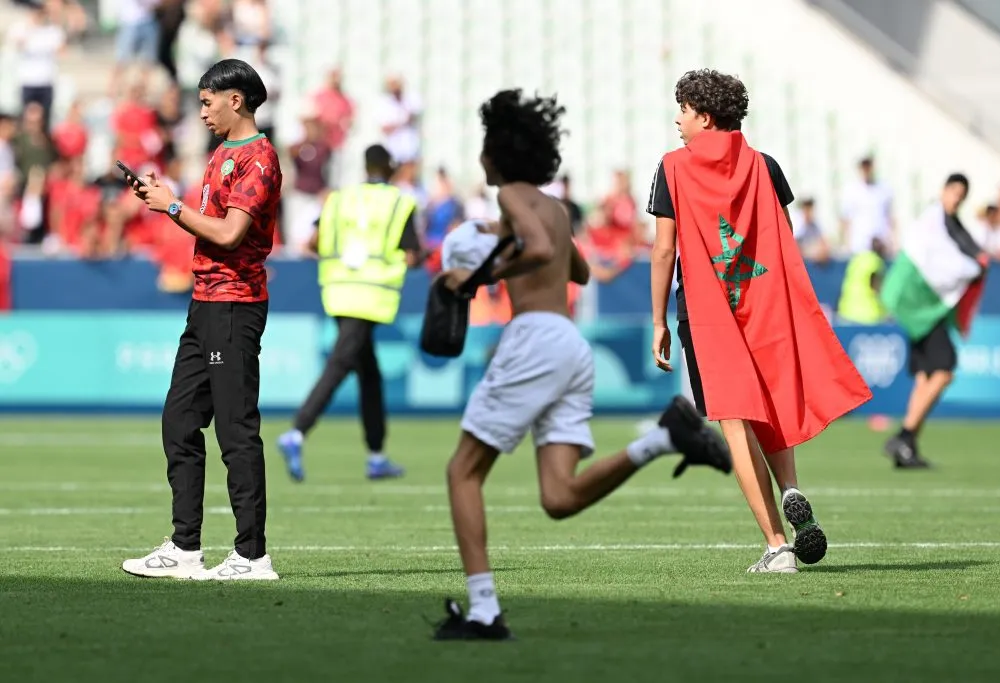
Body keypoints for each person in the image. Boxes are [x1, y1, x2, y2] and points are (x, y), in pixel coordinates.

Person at [431, 89, 732, 641]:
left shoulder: (513, 196)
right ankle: (662, 439)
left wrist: (475, 276)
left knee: (461, 472)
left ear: (498, 152)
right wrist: (503, 246)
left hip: (534, 340)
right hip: (569, 346)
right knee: (559, 498)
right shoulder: (553, 205)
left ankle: (483, 611)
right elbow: (580, 272)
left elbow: (543, 252)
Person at [647, 69, 872, 573]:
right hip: (762, 302)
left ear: (704, 116)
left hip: (707, 311)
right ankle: (791, 487)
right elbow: (783, 233)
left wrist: (658, 318)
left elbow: (664, 251)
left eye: (682, 110)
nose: (677, 120)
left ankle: (776, 546)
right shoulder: (764, 164)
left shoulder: (671, 167)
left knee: (734, 419)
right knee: (768, 407)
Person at [121, 58, 283, 581]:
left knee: (236, 430)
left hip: (235, 305)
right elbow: (209, 223)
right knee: (180, 421)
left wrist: (171, 208)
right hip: (205, 302)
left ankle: (252, 556)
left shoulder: (259, 159)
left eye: (208, 100)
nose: (203, 110)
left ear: (236, 99)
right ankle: (185, 548)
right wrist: (165, 200)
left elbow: (231, 234)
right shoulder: (221, 155)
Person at [277, 144, 420, 482]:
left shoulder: (339, 198)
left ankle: (376, 456)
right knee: (340, 364)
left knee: (369, 375)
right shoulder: (400, 202)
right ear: (390, 168)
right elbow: (413, 255)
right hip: (371, 295)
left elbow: (310, 243)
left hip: (338, 291)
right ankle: (297, 431)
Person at [880, 174, 987, 469]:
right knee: (944, 371)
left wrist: (977, 259)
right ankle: (904, 436)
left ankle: (906, 446)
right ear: (943, 190)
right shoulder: (934, 221)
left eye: (961, 194)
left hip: (922, 309)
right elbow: (944, 260)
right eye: (954, 191)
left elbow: (965, 248)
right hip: (923, 306)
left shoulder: (949, 224)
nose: (956, 198)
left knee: (926, 376)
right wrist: (973, 265)